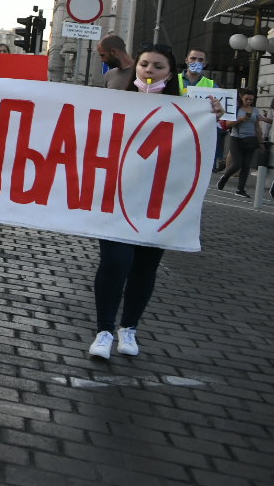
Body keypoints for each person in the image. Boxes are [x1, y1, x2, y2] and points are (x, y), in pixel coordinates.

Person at [89, 44, 184, 359]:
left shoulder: (185, 113)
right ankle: (104, 330)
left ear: (170, 75)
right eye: (144, 64)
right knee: (116, 262)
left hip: (157, 203)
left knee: (145, 267)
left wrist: (211, 114)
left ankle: (128, 327)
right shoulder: (115, 102)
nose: (149, 71)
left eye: (158, 67)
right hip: (116, 198)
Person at [178, 47, 225, 170]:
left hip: (198, 135)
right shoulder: (172, 80)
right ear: (186, 60)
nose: (196, 62)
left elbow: (217, 113)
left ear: (205, 64)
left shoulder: (212, 85)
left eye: (200, 60)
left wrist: (219, 113)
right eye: (193, 58)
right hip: (175, 131)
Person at [219, 95, 261, 197]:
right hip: (236, 139)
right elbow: (227, 125)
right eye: (246, 99)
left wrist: (261, 142)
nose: (248, 101)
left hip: (251, 139)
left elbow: (257, 126)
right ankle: (225, 177)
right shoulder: (235, 109)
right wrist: (240, 119)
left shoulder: (255, 110)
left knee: (246, 166)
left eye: (251, 99)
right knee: (237, 163)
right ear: (242, 99)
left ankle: (240, 189)